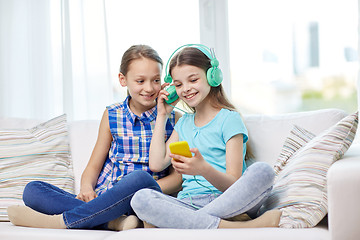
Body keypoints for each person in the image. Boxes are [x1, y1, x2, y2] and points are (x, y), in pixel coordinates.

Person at [7, 45, 182, 230]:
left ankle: (64, 221)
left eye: (155, 80)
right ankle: (113, 221)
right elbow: (93, 166)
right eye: (140, 81)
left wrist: (136, 192)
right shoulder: (112, 115)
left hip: (144, 197)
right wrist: (86, 188)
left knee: (138, 178)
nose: (149, 88)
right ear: (123, 80)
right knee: (33, 190)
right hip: (105, 197)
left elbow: (177, 179)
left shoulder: (174, 118)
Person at [130, 44, 282, 229]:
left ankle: (189, 223)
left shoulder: (229, 119)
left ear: (212, 77)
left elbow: (233, 184)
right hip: (189, 204)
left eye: (193, 80)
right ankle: (233, 226)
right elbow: (156, 164)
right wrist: (162, 115)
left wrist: (203, 169)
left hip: (229, 200)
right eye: (178, 84)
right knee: (140, 198)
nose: (186, 89)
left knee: (263, 171)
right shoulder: (183, 123)